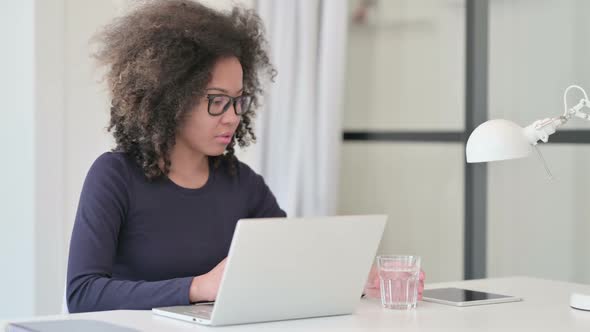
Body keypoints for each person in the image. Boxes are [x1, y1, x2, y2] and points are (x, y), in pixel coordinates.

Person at [66, 0, 424, 314]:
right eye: (217, 101)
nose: (233, 116)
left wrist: (359, 277)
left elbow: (292, 262)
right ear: (170, 99)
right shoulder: (114, 176)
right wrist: (197, 287)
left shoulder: (243, 184)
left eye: (239, 100)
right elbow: (82, 293)